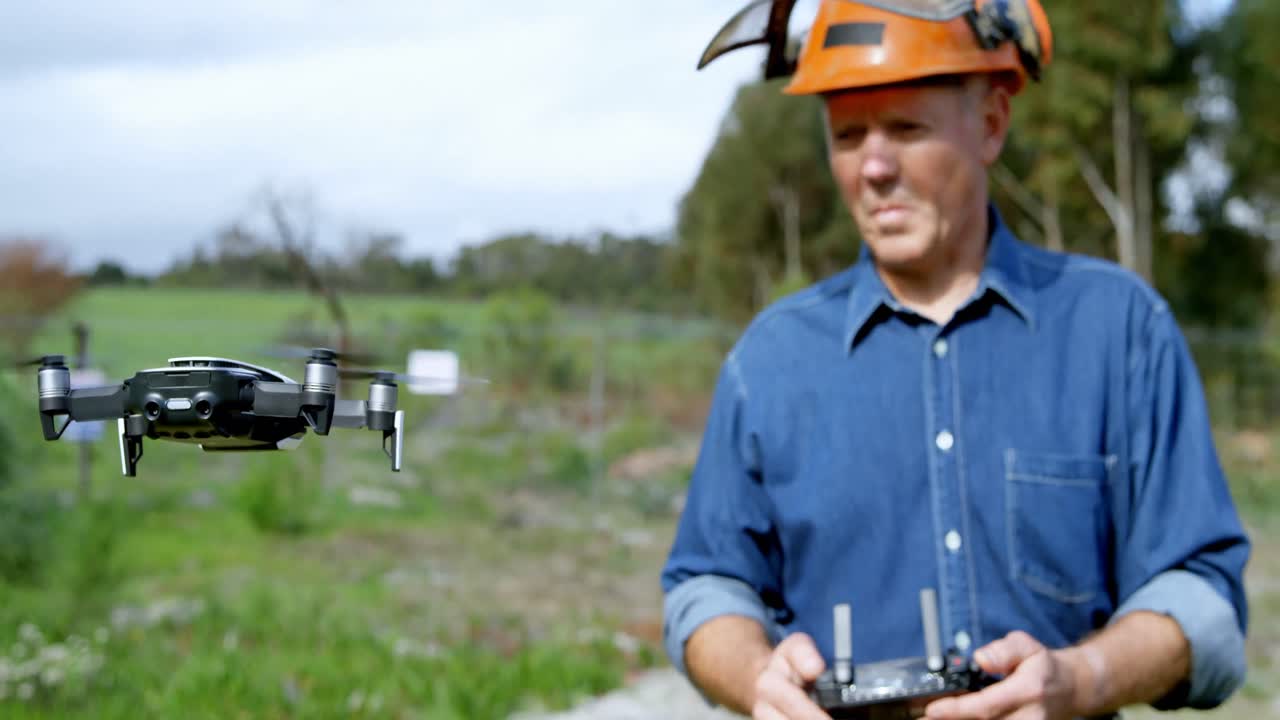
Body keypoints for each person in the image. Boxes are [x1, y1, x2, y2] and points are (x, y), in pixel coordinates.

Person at [661, 1, 1251, 718]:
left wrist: (1082, 679)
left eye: (906, 128)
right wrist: (756, 677)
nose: (873, 167)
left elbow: (1202, 593)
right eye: (847, 136)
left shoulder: (1118, 330)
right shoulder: (772, 358)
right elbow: (707, 585)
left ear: (992, 124)